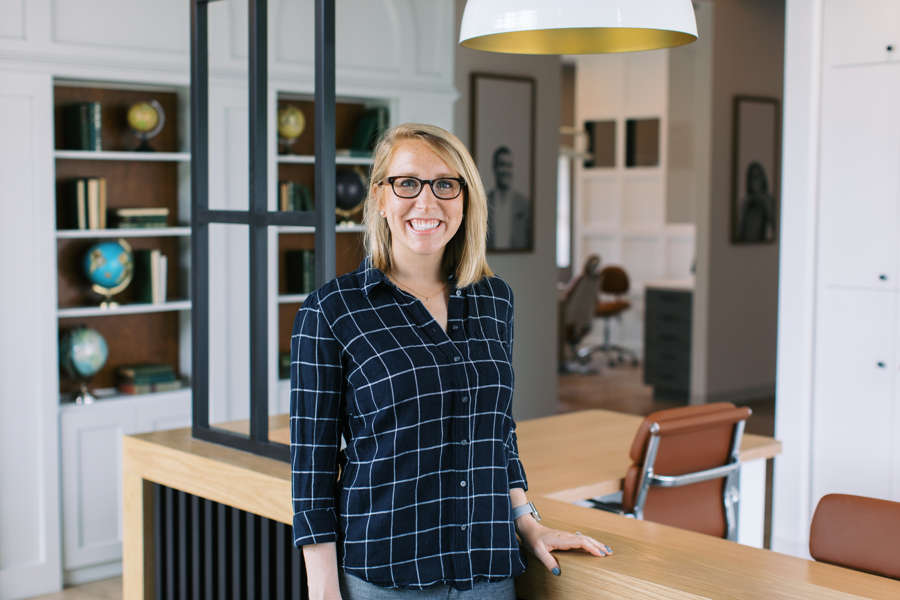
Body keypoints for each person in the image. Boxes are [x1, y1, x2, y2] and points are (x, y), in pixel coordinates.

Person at [291, 123, 611, 600]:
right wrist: (323, 590)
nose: (426, 202)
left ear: (465, 199)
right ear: (380, 197)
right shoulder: (332, 311)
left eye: (445, 184)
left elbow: (496, 431)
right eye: (407, 183)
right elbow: (311, 471)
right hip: (387, 576)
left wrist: (529, 524)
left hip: (488, 572)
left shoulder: (494, 300)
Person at [486, 146, 532, 251]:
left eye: (509, 165)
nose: (506, 170)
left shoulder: (524, 205)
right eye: (502, 165)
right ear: (494, 167)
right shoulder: (483, 203)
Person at [736, 161, 776, 243]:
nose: (755, 181)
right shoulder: (745, 203)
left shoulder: (768, 201)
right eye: (752, 177)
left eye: (757, 176)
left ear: (763, 178)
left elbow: (776, 228)